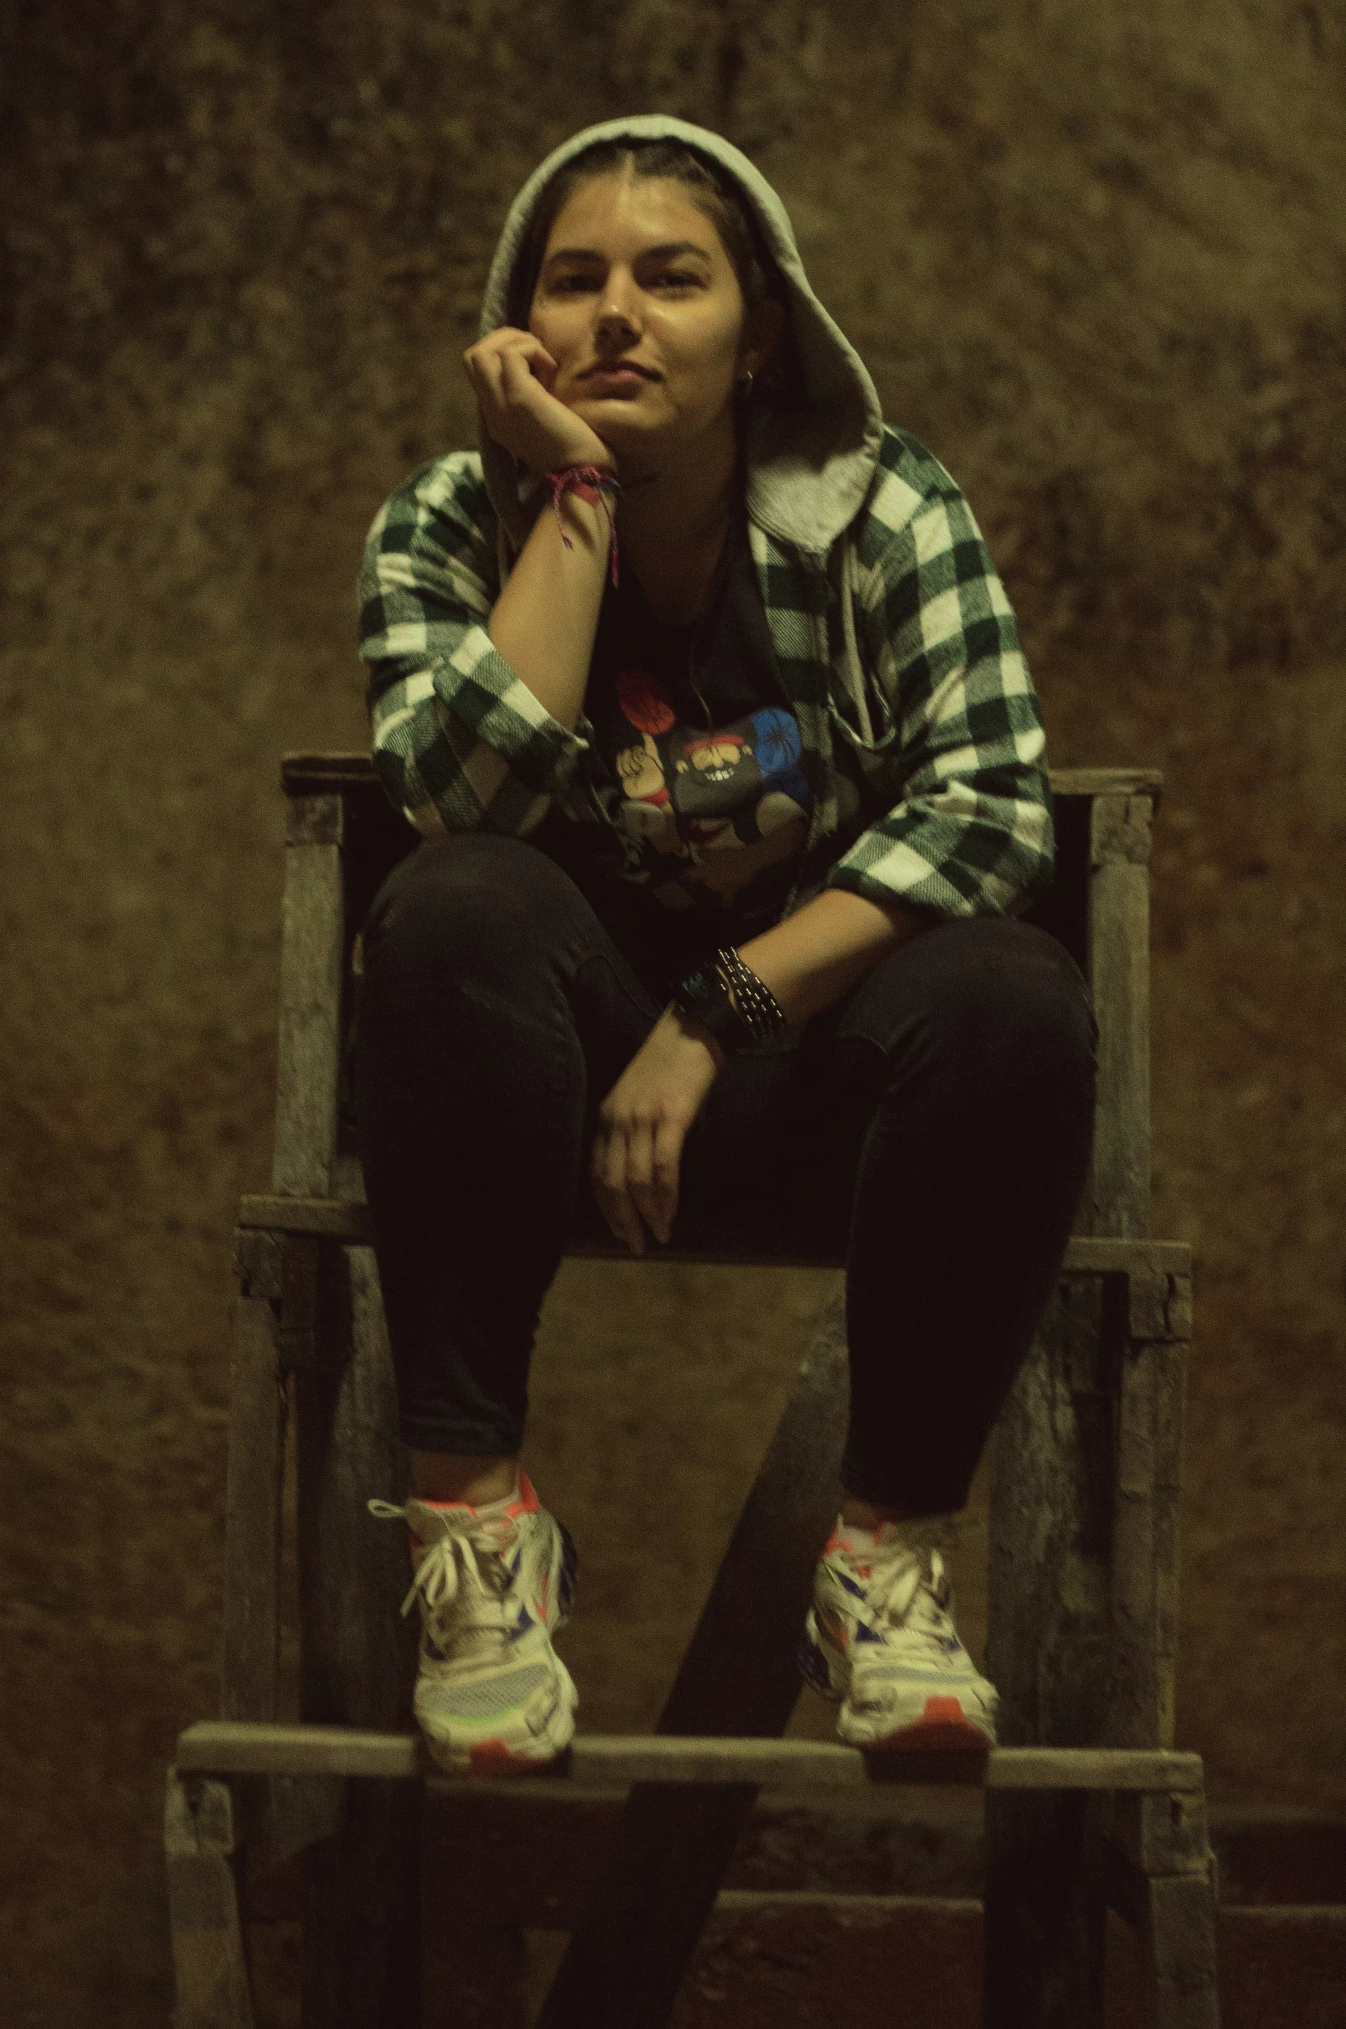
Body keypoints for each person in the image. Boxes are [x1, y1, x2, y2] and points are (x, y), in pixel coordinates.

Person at [354, 115, 1096, 1776]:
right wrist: (578, 493)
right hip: (531, 1086)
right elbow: (454, 789)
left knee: (1010, 994)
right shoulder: (440, 526)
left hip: (806, 1073)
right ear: (516, 326)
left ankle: (883, 1557)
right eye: (573, 278)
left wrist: (712, 1013)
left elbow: (990, 811)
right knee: (459, 899)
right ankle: (473, 1542)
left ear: (757, 330)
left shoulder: (883, 511)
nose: (615, 313)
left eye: (669, 278)